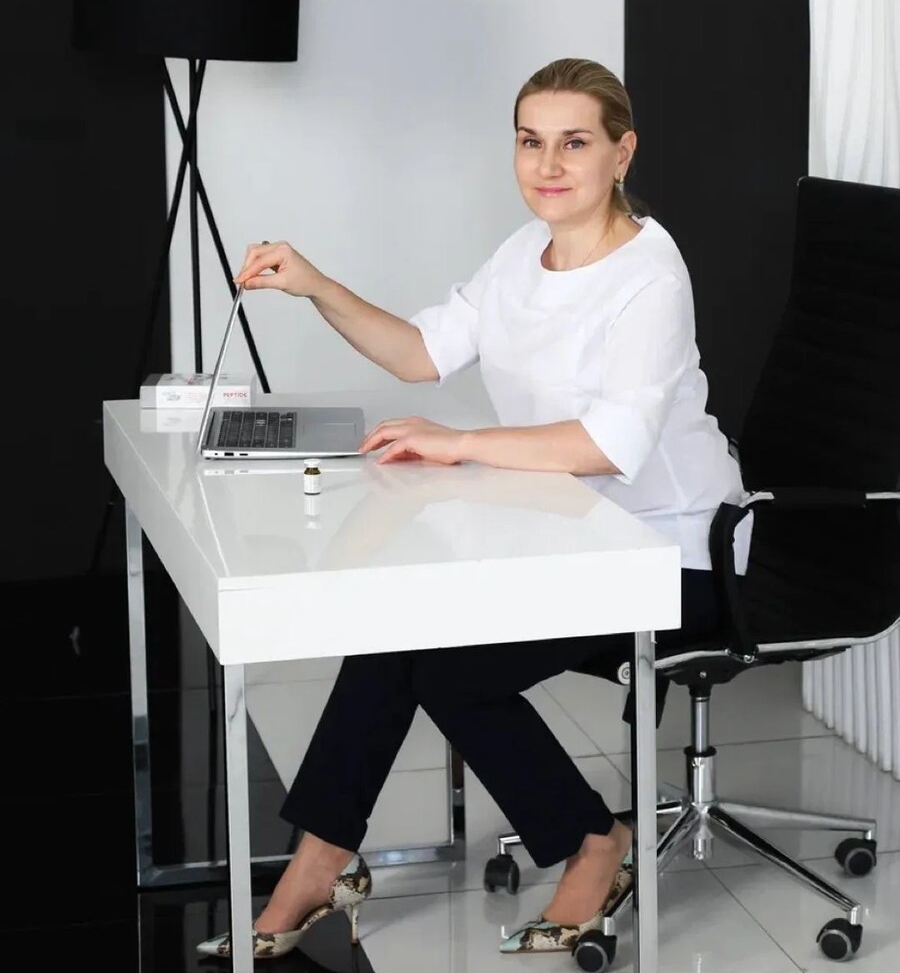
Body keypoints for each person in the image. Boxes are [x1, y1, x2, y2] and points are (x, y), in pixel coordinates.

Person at [198, 57, 743, 960]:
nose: (548, 165)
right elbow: (421, 351)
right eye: (531, 142)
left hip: (674, 557)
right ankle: (321, 861)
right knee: (397, 626)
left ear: (622, 152)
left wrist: (460, 443)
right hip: (575, 537)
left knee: (451, 672)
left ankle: (593, 842)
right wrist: (316, 284)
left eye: (575, 143)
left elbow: (610, 444)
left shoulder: (651, 273)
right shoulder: (523, 253)